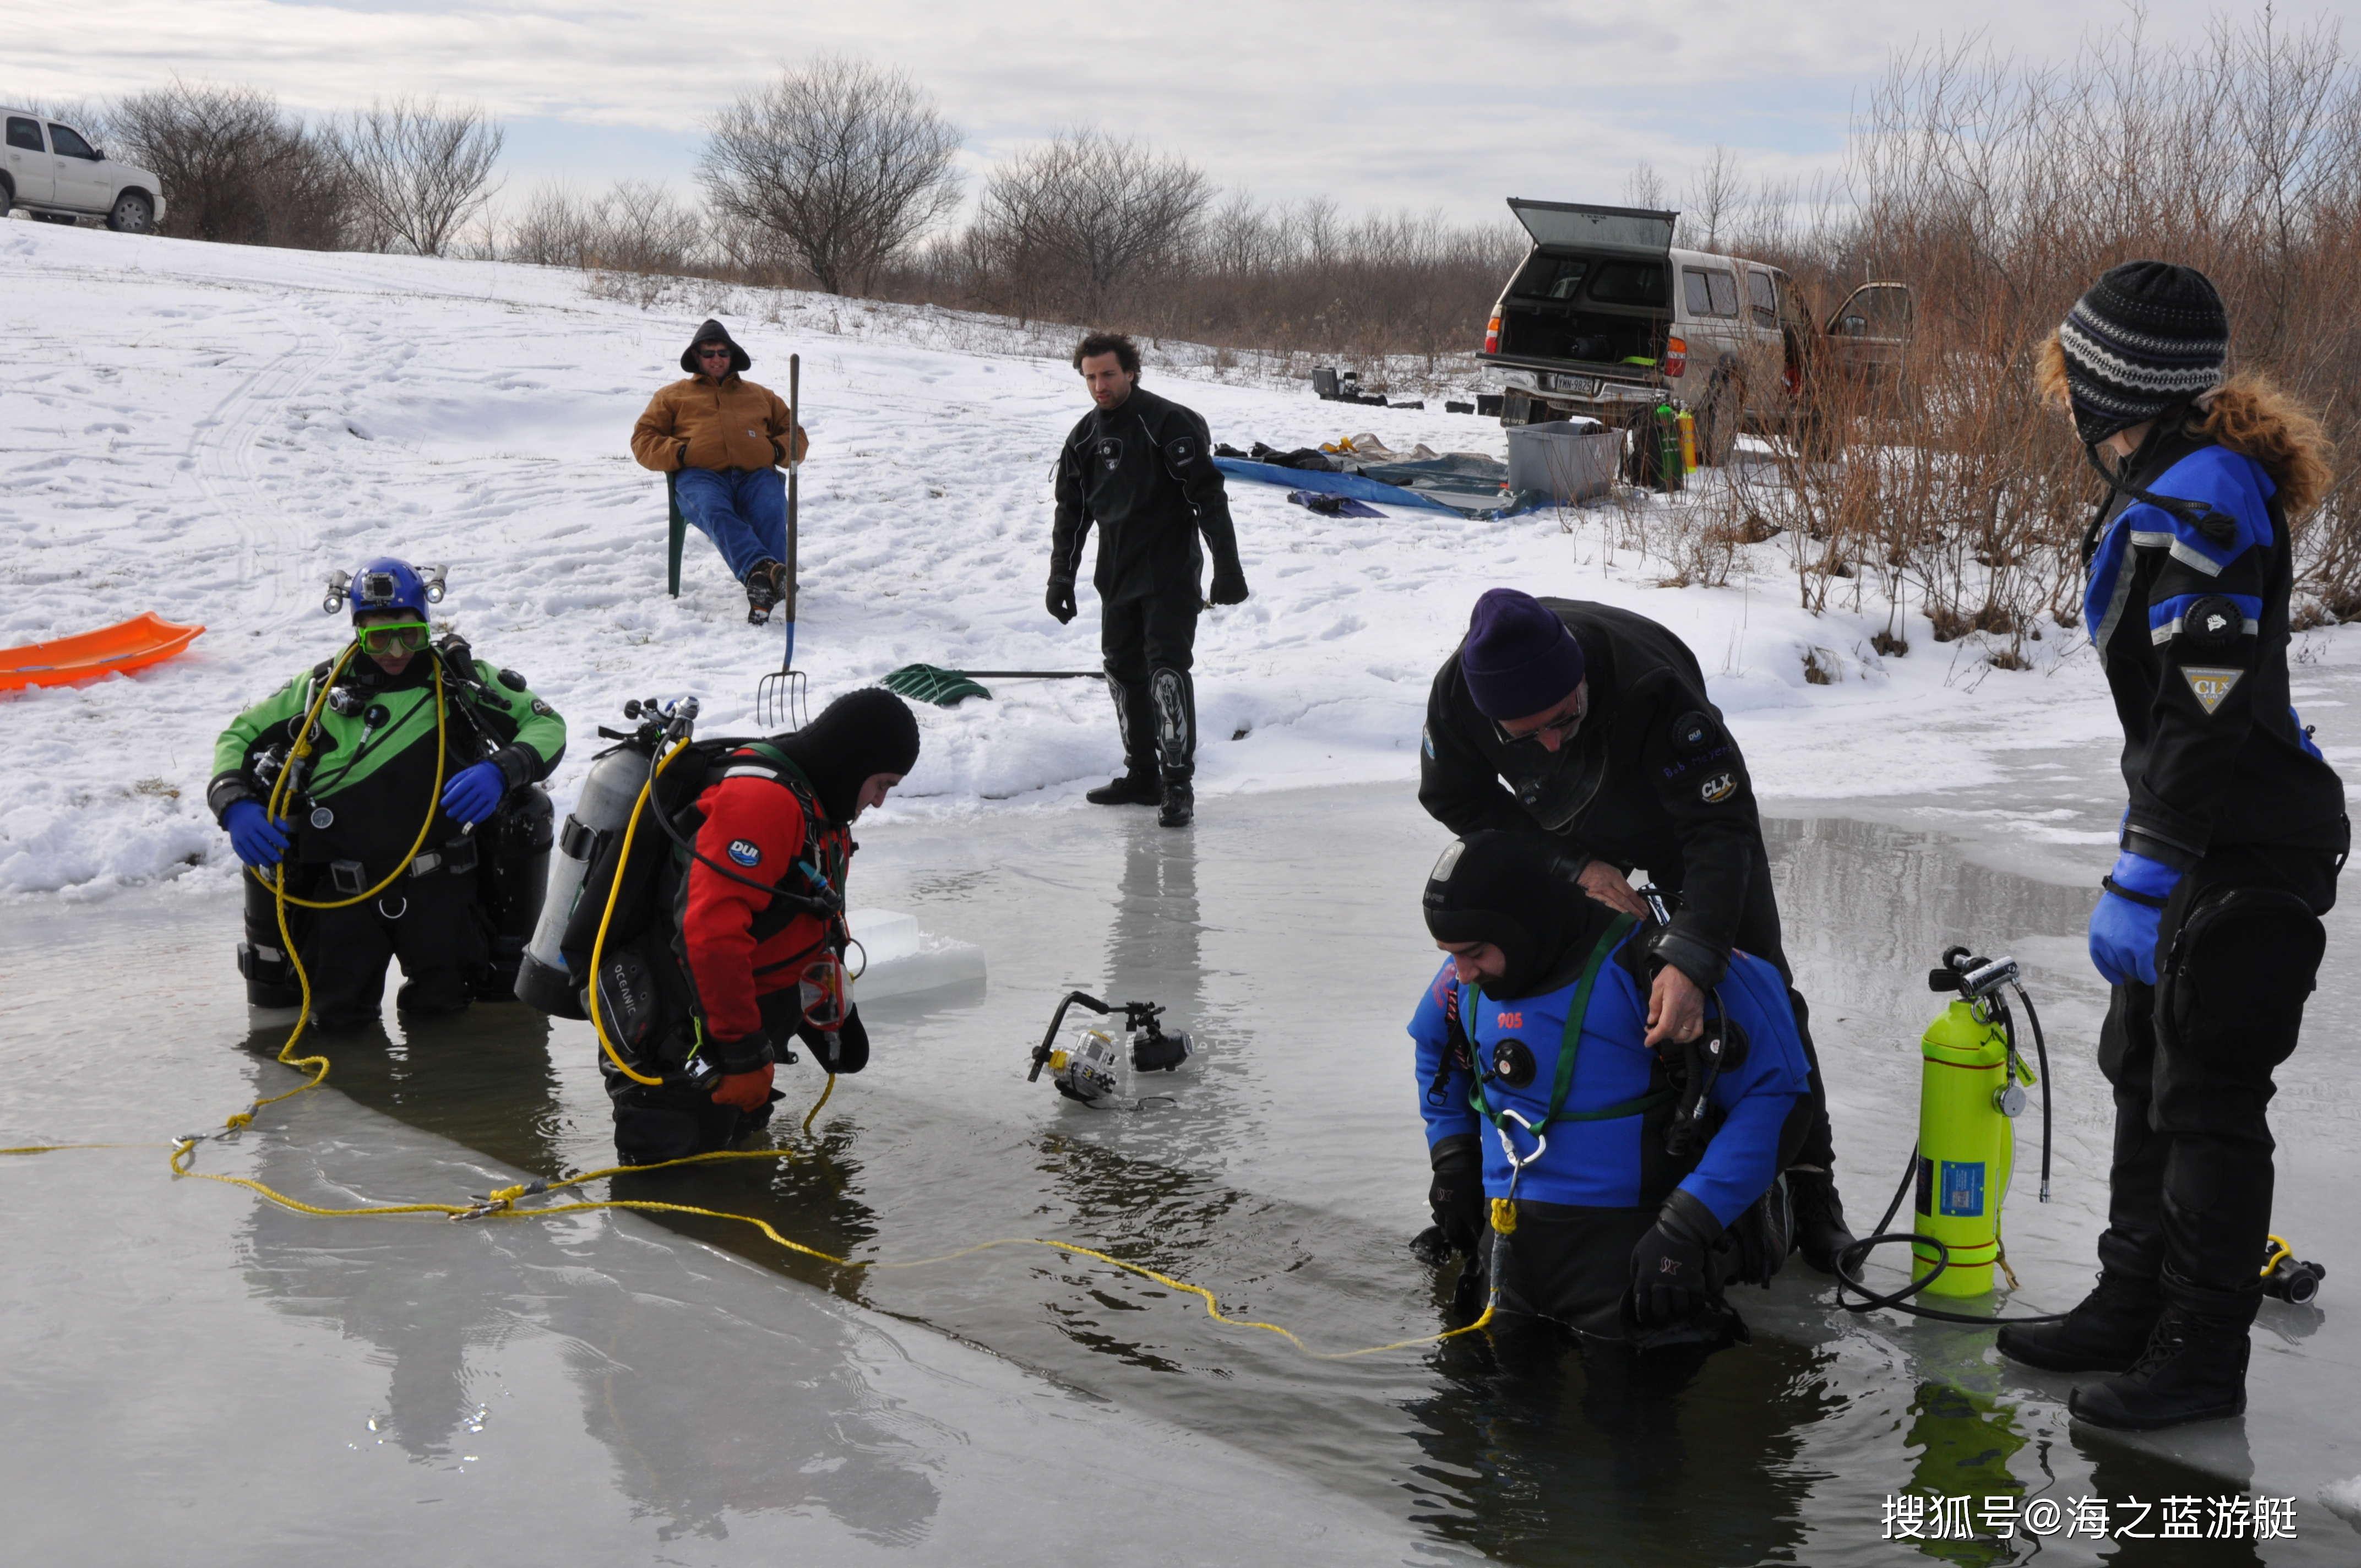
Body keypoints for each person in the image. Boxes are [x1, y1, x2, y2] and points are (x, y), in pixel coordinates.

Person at [1994, 262, 2344, 1431]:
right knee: (2141, 1065)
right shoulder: (2174, 473)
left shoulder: (2199, 497)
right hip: (2200, 827)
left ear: (2110, 387)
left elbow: (2200, 701)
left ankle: (2197, 1357)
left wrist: (2149, 864)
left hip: (2240, 843)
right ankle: (2129, 1297)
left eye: (2072, 376)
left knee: (2205, 1097)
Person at [1417, 587, 1854, 1273]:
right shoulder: (1458, 697)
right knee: (1575, 982)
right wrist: (1568, 863)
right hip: (1555, 830)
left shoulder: (1655, 690)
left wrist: (1692, 955)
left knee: (1759, 986)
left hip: (1682, 816)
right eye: (1526, 734)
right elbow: (1451, 795)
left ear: (1582, 682)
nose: (1553, 741)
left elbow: (1720, 827)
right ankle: (1628, 1166)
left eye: (1565, 718)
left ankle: (1810, 1186)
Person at [1412, 831, 1812, 1352]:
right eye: (1452, 955)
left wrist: (1687, 1228)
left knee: (1623, 1421)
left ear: (1521, 924)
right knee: (1479, 1411)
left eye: (1474, 953)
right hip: (1510, 1244)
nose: (1462, 973)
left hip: (1636, 1248)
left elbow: (1778, 1096)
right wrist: (1453, 1156)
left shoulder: (1658, 972)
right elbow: (1434, 1051)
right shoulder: (1465, 978)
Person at [210, 557, 567, 1028]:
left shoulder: (461, 682)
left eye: (410, 634)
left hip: (441, 893)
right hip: (343, 901)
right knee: (339, 1027)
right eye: (377, 638)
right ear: (357, 631)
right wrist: (234, 804)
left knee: (447, 1029)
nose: (395, 650)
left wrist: (502, 771)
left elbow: (546, 723)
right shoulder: (318, 689)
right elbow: (238, 736)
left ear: (426, 624)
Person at [602, 688, 921, 1166]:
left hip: (738, 1027)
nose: (878, 802)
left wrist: (825, 996)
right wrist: (741, 1054)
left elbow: (809, 904)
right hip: (681, 1034)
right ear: (854, 762)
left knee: (737, 1181)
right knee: (673, 1206)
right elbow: (709, 934)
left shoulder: (819, 802)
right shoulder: (763, 803)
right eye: (881, 784)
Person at [1046, 331, 1249, 828]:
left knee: (1166, 673)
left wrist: (1227, 567)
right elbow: (1070, 515)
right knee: (1122, 672)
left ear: (1131, 371)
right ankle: (1142, 776)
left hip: (1170, 572)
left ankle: (1178, 786)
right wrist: (1060, 580)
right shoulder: (1083, 438)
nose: (1100, 386)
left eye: (1108, 374)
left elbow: (1209, 498)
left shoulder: (1166, 422)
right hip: (1115, 574)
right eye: (1091, 377)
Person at [630, 318, 809, 624]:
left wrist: (777, 451)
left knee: (771, 507)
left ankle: (763, 586)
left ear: (732, 357)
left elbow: (795, 434)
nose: (716, 359)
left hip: (756, 474)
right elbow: (643, 440)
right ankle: (768, 573)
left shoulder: (761, 395)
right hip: (701, 476)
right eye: (709, 353)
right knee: (715, 509)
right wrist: (681, 453)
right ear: (697, 358)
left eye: (722, 353)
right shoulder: (671, 397)